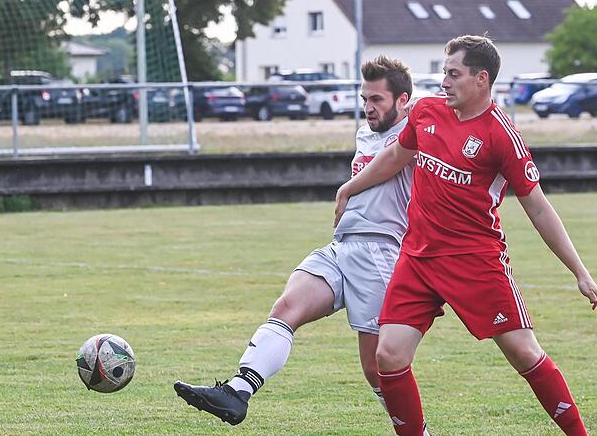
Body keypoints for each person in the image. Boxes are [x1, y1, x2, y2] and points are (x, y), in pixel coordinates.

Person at [334, 35, 597, 436]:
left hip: (474, 261)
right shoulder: (426, 111)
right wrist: (349, 188)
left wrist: (580, 272)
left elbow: (538, 208)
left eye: (454, 74)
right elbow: (394, 156)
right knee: (388, 356)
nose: (444, 82)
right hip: (417, 258)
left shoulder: (501, 135)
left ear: (481, 79)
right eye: (444, 73)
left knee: (524, 353)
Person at [175, 56, 429, 434]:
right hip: (342, 246)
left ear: (403, 100)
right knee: (286, 308)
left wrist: (346, 189)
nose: (368, 107)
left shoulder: (416, 130)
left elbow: (399, 157)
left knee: (377, 369)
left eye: (377, 99)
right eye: (365, 98)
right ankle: (237, 392)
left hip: (381, 252)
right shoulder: (364, 132)